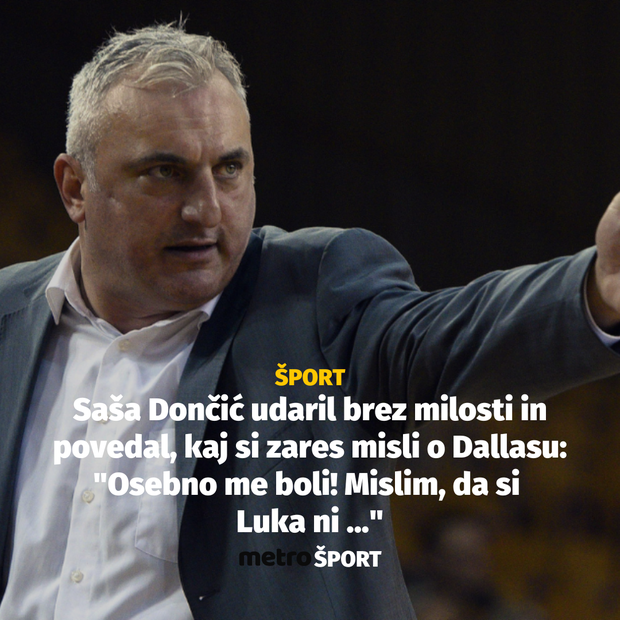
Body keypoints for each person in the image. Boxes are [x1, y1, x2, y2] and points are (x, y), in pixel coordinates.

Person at [1, 22, 620, 620]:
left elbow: (441, 343)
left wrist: (596, 289)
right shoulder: (8, 316)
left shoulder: (313, 294)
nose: (206, 210)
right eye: (165, 172)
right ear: (75, 187)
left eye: (229, 168)